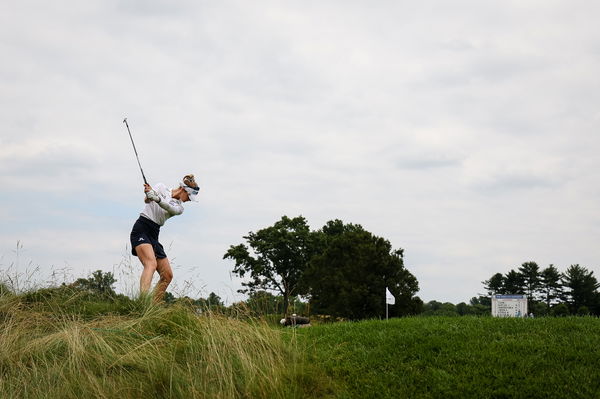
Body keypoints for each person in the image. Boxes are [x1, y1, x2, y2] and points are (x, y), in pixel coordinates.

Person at [129, 174, 199, 302]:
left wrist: (157, 198)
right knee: (151, 263)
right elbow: (147, 200)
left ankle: (152, 308)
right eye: (189, 197)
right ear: (184, 190)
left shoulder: (180, 208)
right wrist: (150, 194)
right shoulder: (161, 187)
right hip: (142, 228)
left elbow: (168, 207)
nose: (189, 200)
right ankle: (142, 303)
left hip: (154, 233)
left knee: (167, 275)